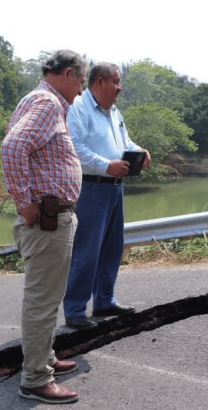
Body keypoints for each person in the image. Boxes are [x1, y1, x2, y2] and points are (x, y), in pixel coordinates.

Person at [1, 50, 87, 404]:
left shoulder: (42, 101)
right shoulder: (46, 102)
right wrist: (24, 202)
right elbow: (13, 147)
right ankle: (36, 378)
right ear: (67, 74)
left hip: (54, 216)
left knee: (49, 296)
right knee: (42, 299)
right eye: (81, 82)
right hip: (48, 219)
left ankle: (44, 357)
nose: (80, 91)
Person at [62, 62, 150, 330]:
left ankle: (104, 300)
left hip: (114, 187)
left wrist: (140, 150)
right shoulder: (78, 107)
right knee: (87, 251)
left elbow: (125, 143)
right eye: (116, 82)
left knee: (112, 248)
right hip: (91, 187)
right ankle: (76, 309)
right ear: (99, 82)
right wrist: (106, 165)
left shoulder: (113, 112)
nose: (119, 88)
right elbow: (75, 149)